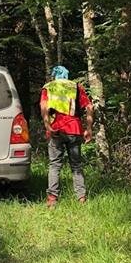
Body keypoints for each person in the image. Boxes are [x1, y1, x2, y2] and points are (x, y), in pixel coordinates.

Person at [39, 65, 94, 208]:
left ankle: (52, 200)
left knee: (54, 165)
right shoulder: (76, 87)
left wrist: (47, 126)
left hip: (55, 129)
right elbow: (89, 107)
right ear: (66, 75)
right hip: (74, 129)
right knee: (76, 165)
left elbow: (43, 106)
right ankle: (81, 198)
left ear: (54, 75)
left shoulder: (48, 87)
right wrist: (88, 128)